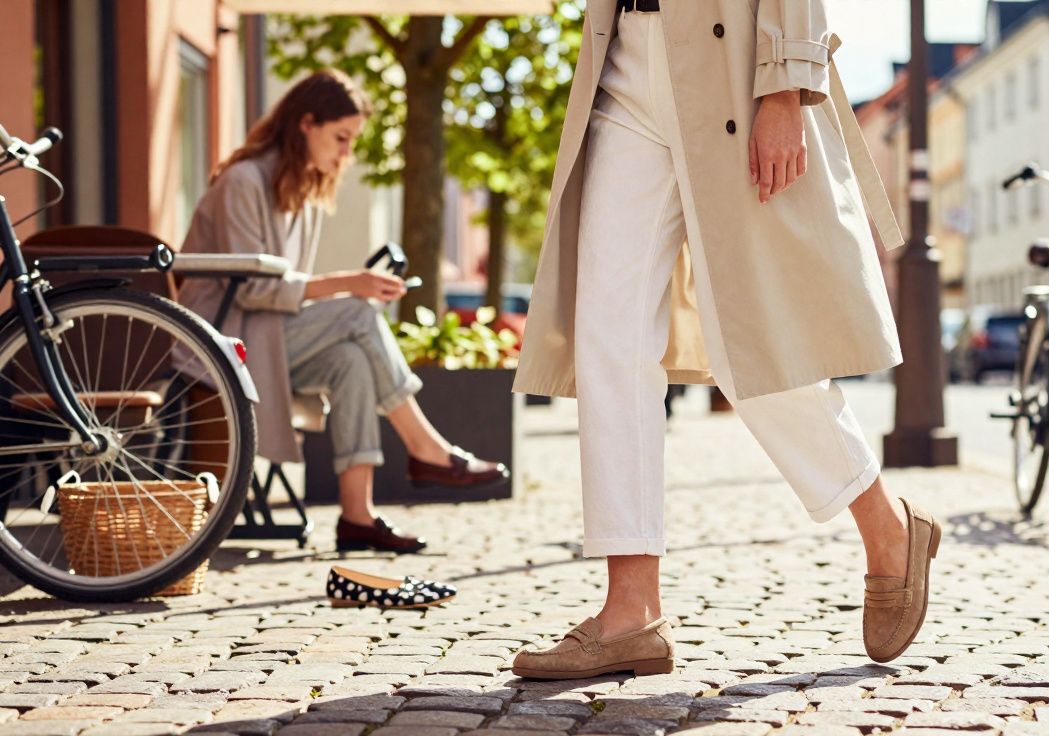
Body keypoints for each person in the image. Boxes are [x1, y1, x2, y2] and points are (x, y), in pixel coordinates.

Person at [508, 0, 939, 679]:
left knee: (750, 338)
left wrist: (786, 88)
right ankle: (631, 610)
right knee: (608, 334)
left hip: (732, 59)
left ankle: (885, 524)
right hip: (621, 58)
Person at [179, 69, 508, 554]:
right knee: (357, 312)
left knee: (351, 359)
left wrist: (352, 288)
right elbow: (253, 290)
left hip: (265, 338)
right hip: (218, 342)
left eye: (352, 140)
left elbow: (281, 295)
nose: (347, 152)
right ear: (306, 123)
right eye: (341, 137)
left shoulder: (302, 193)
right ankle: (425, 448)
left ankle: (357, 516)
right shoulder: (243, 182)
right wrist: (349, 284)